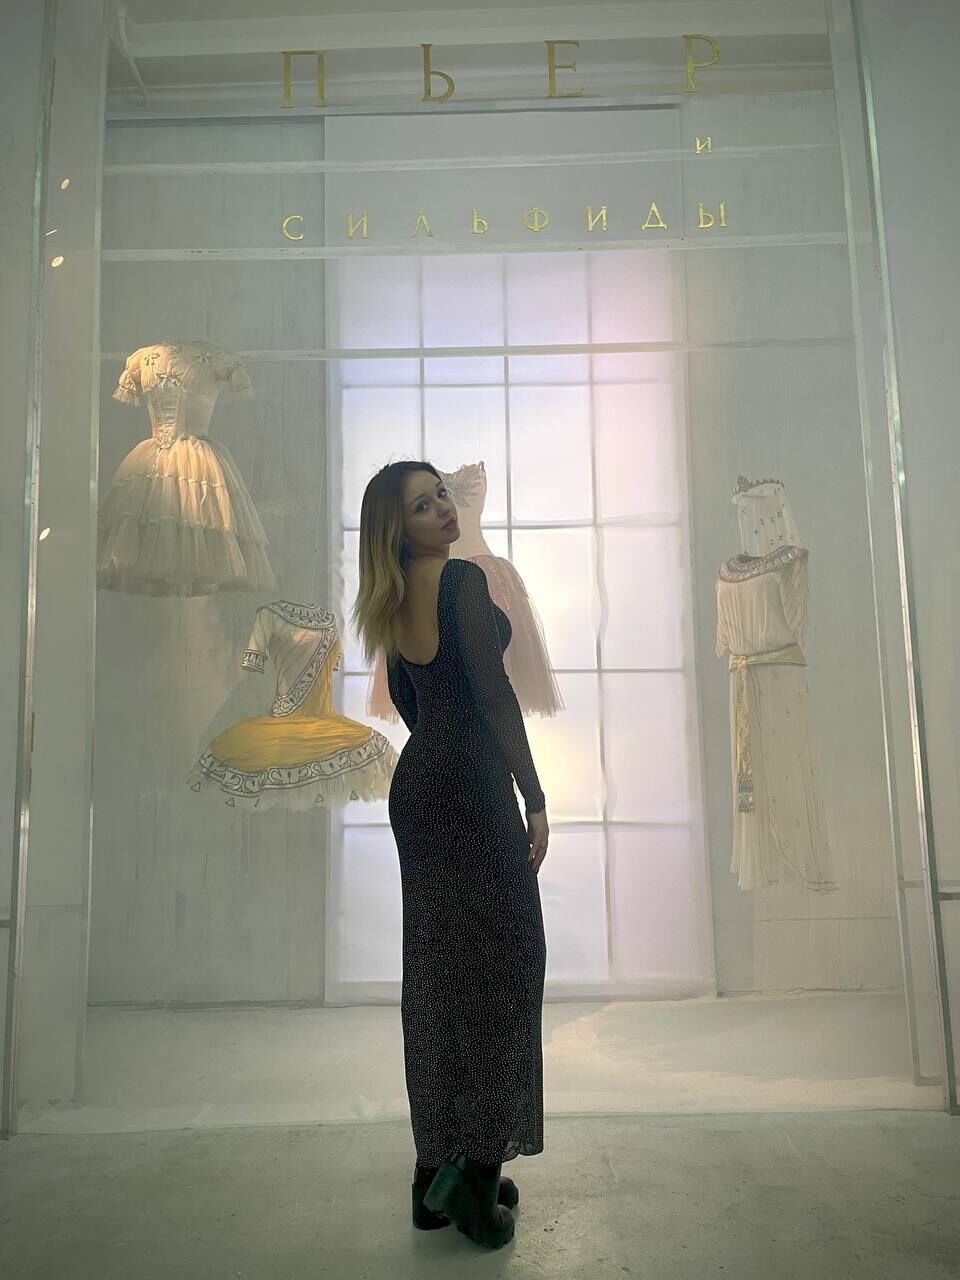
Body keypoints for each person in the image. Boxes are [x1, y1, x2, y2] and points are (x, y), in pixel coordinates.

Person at [352, 459, 549, 1251]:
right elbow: (494, 695)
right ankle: (473, 1176)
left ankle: (434, 1172)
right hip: (471, 784)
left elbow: (409, 701)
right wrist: (533, 794)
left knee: (439, 975)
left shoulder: (391, 597)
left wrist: (445, 745)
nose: (441, 509)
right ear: (396, 528)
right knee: (507, 964)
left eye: (440, 495)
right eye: (422, 505)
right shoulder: (463, 582)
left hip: (421, 785)